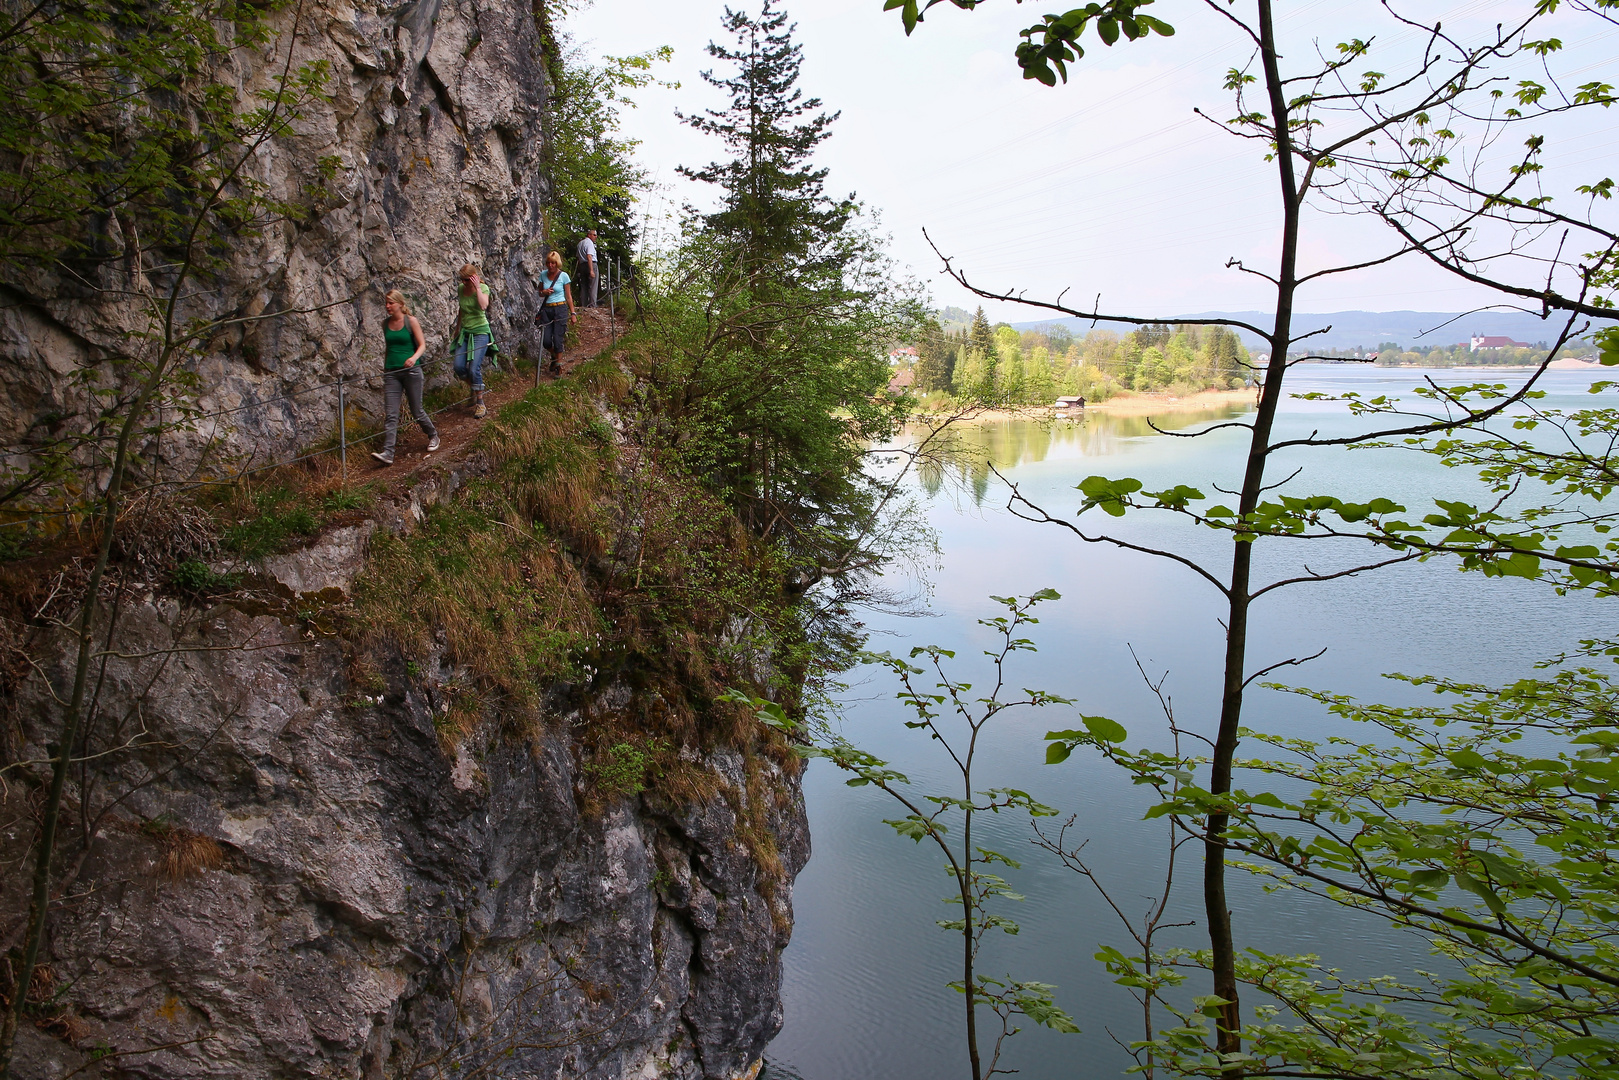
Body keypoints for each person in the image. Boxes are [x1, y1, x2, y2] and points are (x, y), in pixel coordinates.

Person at [372, 289, 439, 466]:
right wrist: (386, 367)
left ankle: (433, 435)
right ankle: (388, 453)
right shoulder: (385, 324)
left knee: (416, 410)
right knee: (391, 414)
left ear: (400, 304)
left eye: (391, 303)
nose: (387, 306)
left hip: (412, 371)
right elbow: (389, 347)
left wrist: (413, 358)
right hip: (391, 373)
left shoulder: (411, 321)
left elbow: (422, 344)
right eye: (386, 303)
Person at [451, 262, 493, 418]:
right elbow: (462, 309)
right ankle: (475, 389)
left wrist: (476, 288)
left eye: (467, 279)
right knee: (458, 366)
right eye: (462, 279)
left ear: (474, 278)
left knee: (474, 367)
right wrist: (457, 328)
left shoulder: (483, 289)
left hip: (481, 332)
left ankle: (480, 404)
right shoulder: (461, 289)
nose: (464, 283)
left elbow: (483, 306)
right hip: (465, 332)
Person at [537, 250, 574, 377]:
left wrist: (573, 313)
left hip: (560, 309)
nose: (551, 265)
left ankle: (558, 365)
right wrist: (544, 292)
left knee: (558, 339)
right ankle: (554, 356)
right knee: (546, 340)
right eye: (548, 263)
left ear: (557, 263)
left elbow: (568, 296)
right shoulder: (543, 275)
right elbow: (539, 292)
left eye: (553, 263)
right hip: (547, 310)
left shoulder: (564, 276)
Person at [576, 228, 598, 308]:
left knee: (584, 285)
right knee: (593, 285)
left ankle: (583, 304)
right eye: (594, 235)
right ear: (589, 235)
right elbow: (589, 256)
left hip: (582, 265)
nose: (596, 237)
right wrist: (591, 270)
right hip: (590, 264)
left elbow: (578, 258)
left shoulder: (580, 243)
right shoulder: (589, 243)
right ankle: (592, 305)